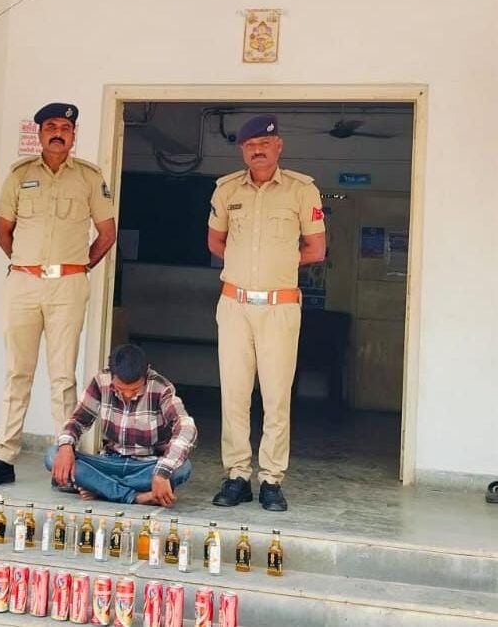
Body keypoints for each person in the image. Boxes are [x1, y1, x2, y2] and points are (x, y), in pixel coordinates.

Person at [0, 102, 116, 487]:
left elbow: (107, 233)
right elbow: (4, 231)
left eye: (65, 128)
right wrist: (27, 264)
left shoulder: (89, 177)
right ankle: (3, 458)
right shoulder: (19, 176)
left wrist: (79, 267)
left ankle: (64, 461)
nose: (57, 133)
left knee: (63, 376)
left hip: (68, 285)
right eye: (50, 126)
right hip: (23, 283)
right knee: (17, 373)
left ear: (73, 135)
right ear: (39, 134)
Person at [207, 114, 326, 511]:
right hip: (235, 305)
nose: (257, 150)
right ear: (243, 150)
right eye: (250, 145)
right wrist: (246, 263)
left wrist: (278, 263)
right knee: (234, 394)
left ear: (278, 146)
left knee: (276, 397)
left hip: (279, 307)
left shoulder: (301, 190)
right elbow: (216, 241)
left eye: (264, 143)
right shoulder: (227, 190)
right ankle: (237, 476)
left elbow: (316, 249)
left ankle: (272, 479)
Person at [46, 344, 197, 506]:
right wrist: (66, 447)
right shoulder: (101, 381)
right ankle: (135, 496)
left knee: (182, 469)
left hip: (146, 465)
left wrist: (161, 473)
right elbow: (77, 420)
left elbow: (187, 428)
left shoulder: (161, 388)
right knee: (53, 455)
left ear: (146, 372)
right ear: (112, 374)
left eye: (135, 390)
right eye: (121, 389)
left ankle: (100, 487)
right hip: (110, 461)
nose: (128, 395)